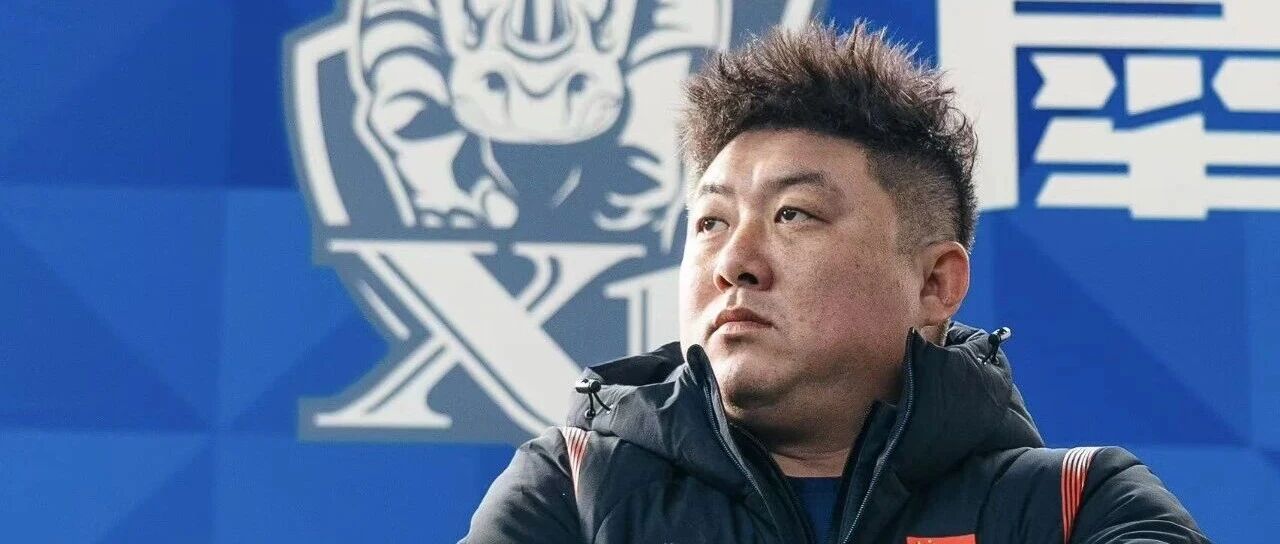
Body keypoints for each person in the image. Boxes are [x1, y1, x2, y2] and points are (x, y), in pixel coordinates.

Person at [461, 22, 1207, 544]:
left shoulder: (1077, 505)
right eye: (711, 222)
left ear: (935, 285)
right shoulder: (573, 490)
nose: (734, 262)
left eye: (793, 214)